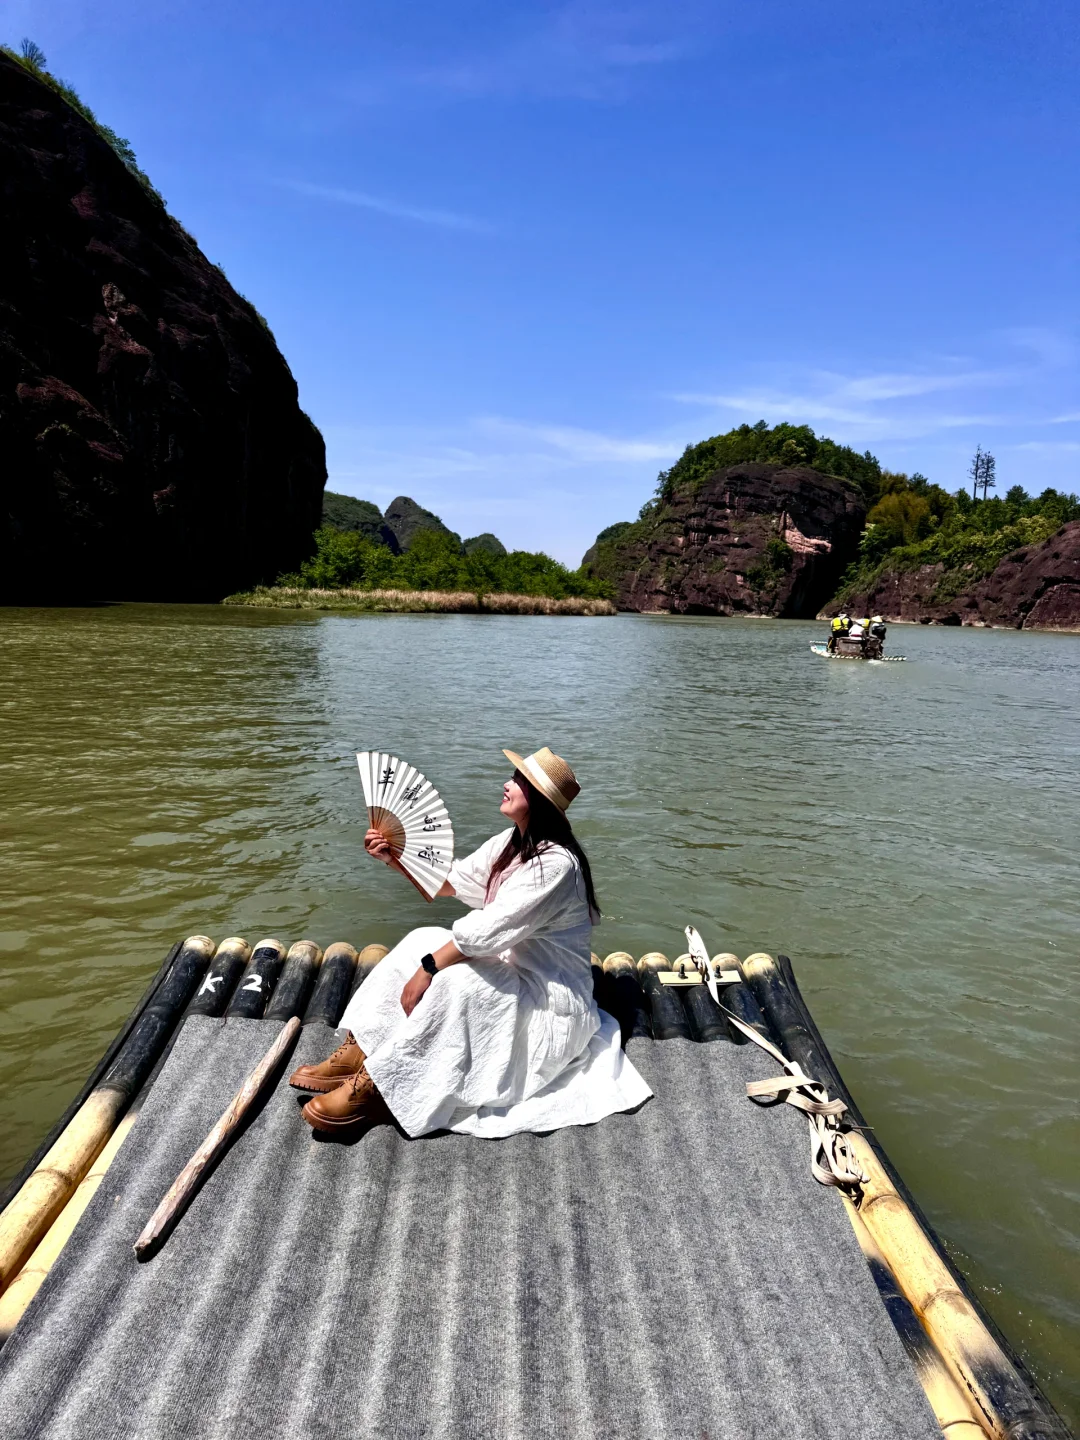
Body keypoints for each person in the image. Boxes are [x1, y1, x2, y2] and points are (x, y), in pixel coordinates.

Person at [290, 746, 652, 1138]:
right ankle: (362, 1049)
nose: (506, 784)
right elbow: (458, 881)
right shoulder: (512, 842)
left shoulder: (556, 865)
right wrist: (394, 857)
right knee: (421, 938)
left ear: (540, 800)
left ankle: (384, 1087)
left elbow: (487, 930)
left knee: (451, 979)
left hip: (549, 1004)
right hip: (517, 973)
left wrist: (429, 969)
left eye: (518, 781)